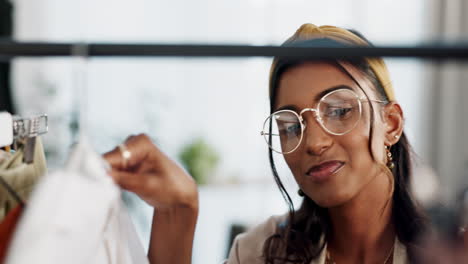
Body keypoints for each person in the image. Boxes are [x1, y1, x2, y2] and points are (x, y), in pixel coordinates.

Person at [103, 24, 467, 264]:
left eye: (339, 110)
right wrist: (179, 212)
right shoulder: (257, 253)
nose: (314, 141)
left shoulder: (450, 252)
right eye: (290, 125)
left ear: (391, 123)